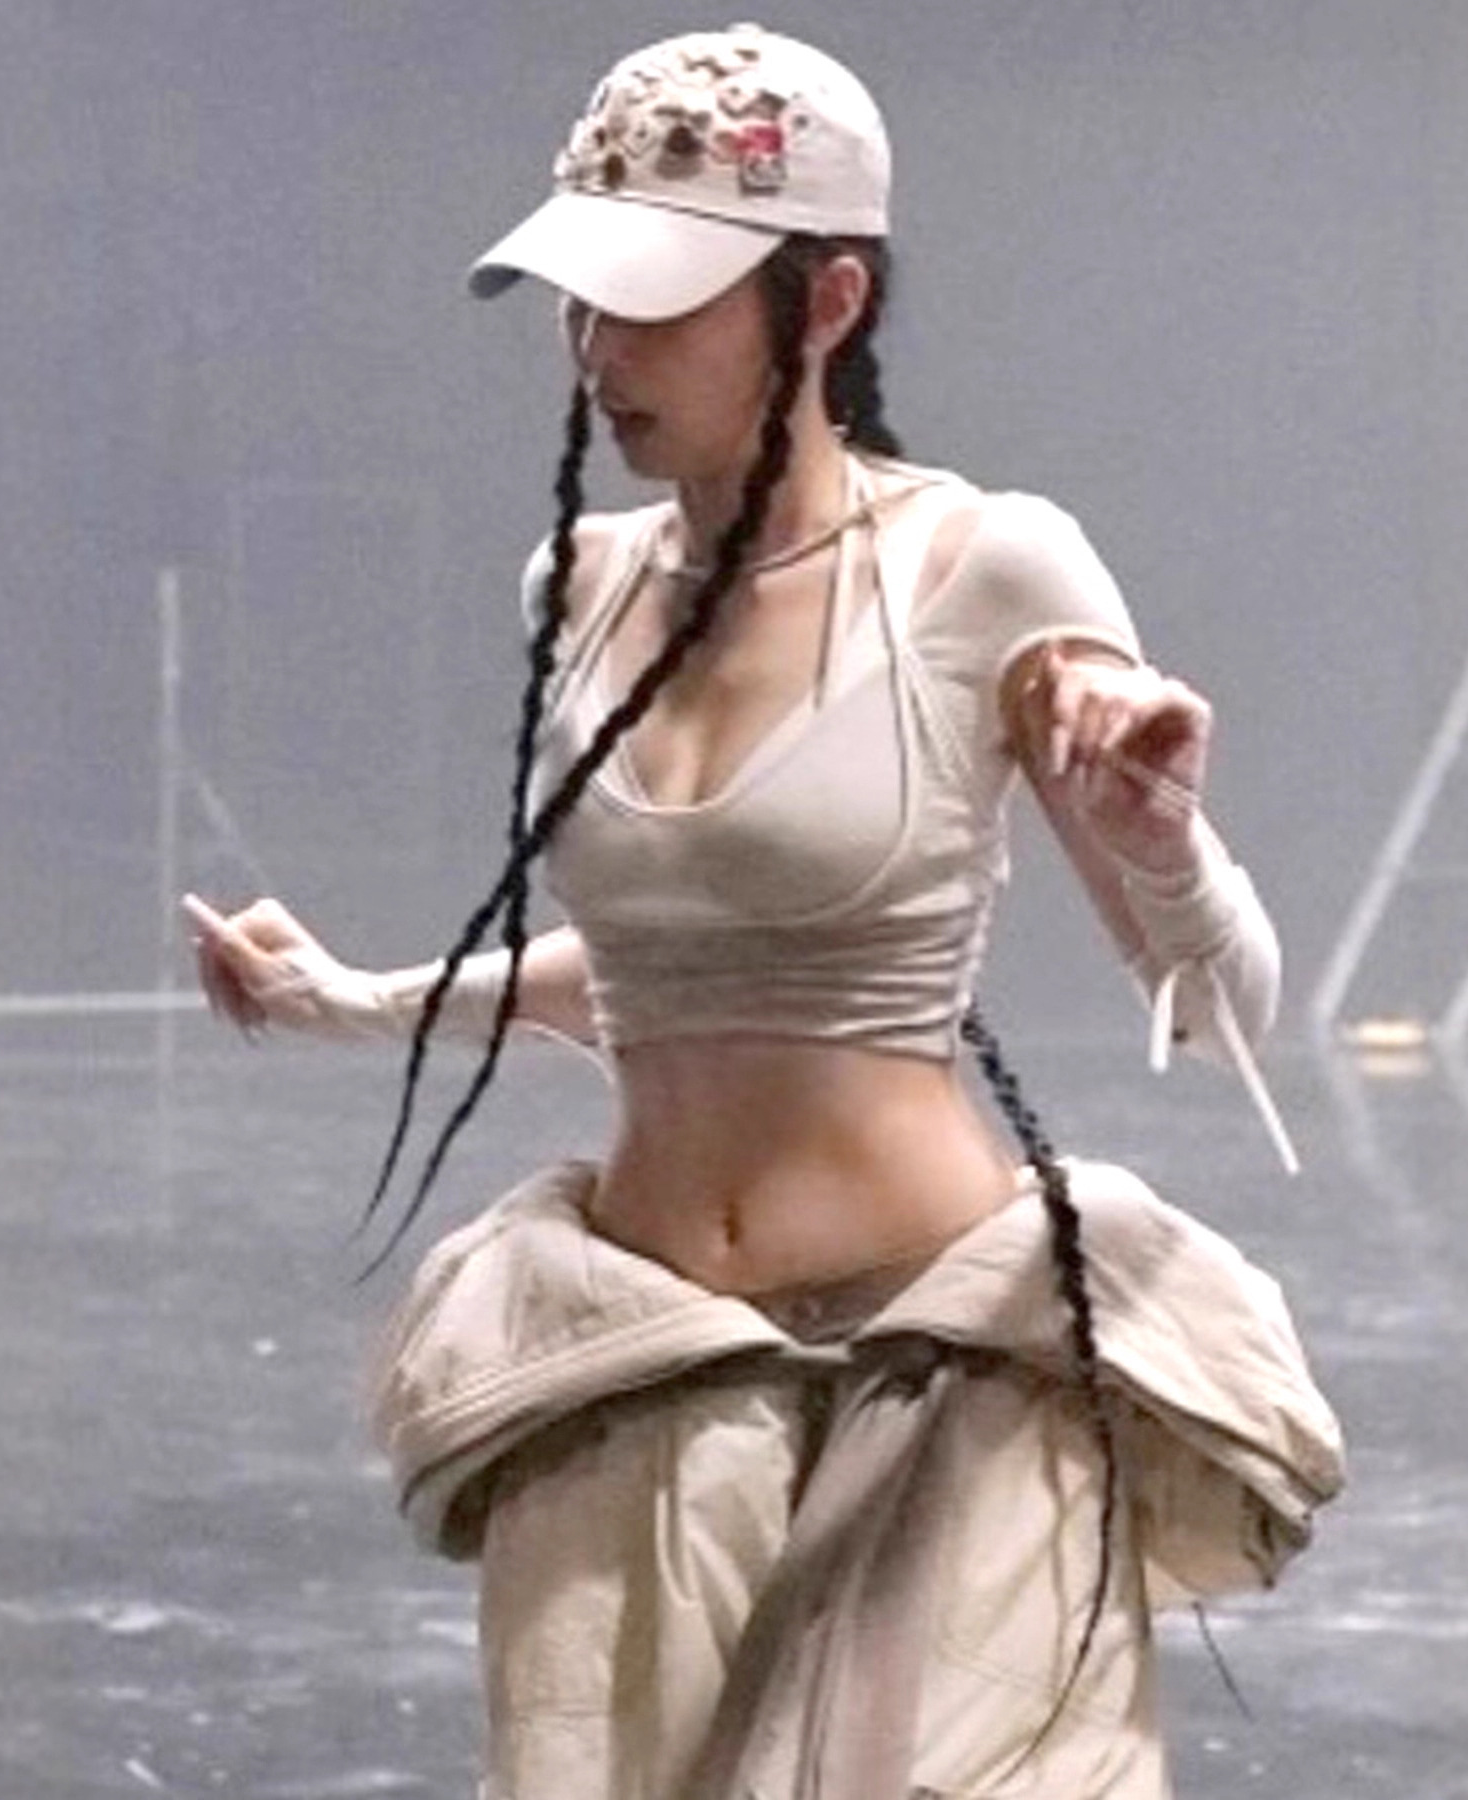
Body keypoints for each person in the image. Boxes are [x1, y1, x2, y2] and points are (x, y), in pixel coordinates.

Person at [183, 24, 1342, 1799]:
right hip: (644, 1373)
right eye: (583, 303)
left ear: (826, 303)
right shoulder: (577, 583)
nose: (600, 353)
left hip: (945, 1378)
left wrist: (1162, 837)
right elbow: (679, 967)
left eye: (655, 305)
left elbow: (1227, 1003)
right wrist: (359, 998)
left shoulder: (981, 563)